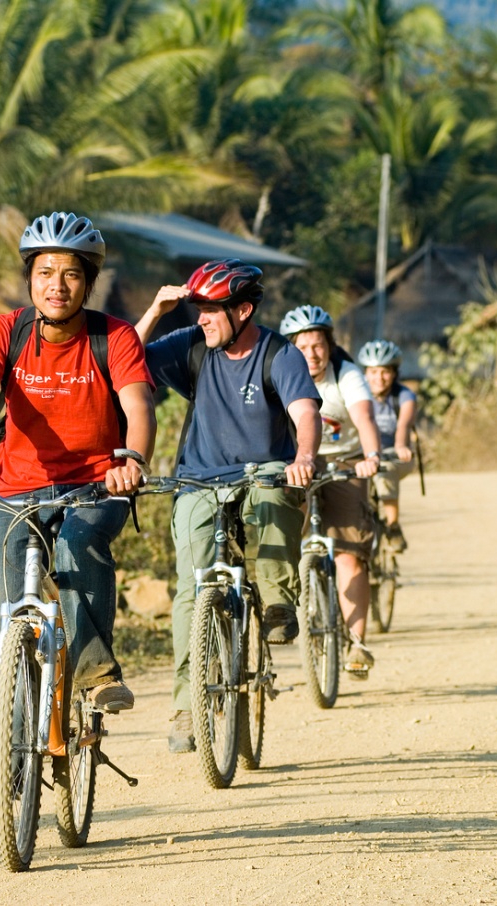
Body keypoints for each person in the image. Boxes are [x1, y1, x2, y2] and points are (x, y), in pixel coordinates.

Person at [0, 212, 156, 812]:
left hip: (95, 489)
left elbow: (138, 404)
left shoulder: (114, 338)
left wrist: (131, 458)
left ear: (89, 282)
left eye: (71, 274)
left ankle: (98, 674)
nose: (57, 285)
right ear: (29, 279)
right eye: (45, 272)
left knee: (79, 544)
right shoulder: (5, 332)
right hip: (15, 495)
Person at [135, 259, 322, 754]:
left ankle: (278, 603)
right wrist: (156, 309)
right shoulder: (193, 347)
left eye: (212, 311)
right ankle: (186, 706)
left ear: (243, 310)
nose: (202, 319)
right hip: (198, 480)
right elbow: (124, 360)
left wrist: (302, 457)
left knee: (274, 496)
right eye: (198, 310)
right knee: (191, 590)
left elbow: (305, 412)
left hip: (264, 474)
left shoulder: (278, 354)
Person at [278, 305, 385, 677]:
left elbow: (364, 418)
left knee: (349, 554)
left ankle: (357, 644)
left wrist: (371, 456)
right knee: (282, 531)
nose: (312, 353)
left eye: (318, 345)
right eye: (303, 346)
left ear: (330, 345)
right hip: (296, 463)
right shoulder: (282, 374)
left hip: (347, 461)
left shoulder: (347, 374)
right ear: (292, 349)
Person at [356, 340, 416, 552]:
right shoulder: (356, 394)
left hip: (395, 455)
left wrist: (401, 447)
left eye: (385, 372)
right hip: (361, 455)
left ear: (394, 373)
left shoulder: (404, 396)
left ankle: (393, 526)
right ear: (364, 373)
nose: (378, 378)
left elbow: (403, 427)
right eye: (373, 372)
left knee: (385, 471)